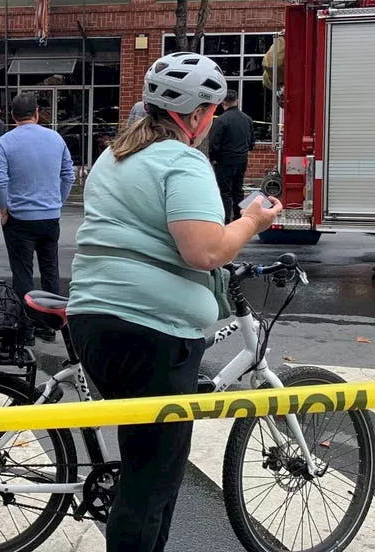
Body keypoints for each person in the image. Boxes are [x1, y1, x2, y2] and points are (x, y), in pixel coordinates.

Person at [66, 52, 282, 551]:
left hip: (96, 319)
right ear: (199, 115)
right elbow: (204, 250)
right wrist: (252, 221)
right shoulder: (182, 160)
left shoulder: (114, 155)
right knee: (151, 481)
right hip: (153, 333)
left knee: (146, 463)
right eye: (213, 110)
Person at [0, 92, 74, 301]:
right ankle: (49, 324)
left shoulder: (4, 142)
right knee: (50, 271)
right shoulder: (56, 138)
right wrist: (57, 202)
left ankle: (26, 329)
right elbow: (68, 176)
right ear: (36, 113)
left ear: (12, 115)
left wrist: (3, 209)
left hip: (19, 217)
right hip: (49, 216)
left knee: (22, 274)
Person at [208, 89, 256, 223]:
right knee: (238, 189)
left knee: (225, 191)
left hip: (224, 160)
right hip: (242, 159)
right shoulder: (247, 119)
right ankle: (239, 217)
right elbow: (252, 142)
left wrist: (213, 158)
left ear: (223, 103)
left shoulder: (221, 120)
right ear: (237, 101)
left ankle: (225, 220)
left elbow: (214, 143)